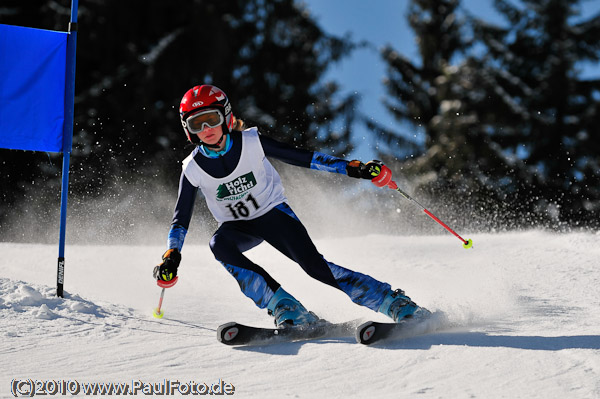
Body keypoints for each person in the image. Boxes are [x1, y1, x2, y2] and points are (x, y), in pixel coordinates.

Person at [153, 84, 429, 327]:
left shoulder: (251, 142)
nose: (206, 130)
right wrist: (172, 255)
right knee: (219, 245)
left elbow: (305, 158)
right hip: (238, 227)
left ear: (225, 116)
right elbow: (181, 219)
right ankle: (288, 308)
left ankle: (393, 303)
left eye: (211, 119)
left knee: (315, 268)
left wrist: (354, 169)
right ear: (187, 130)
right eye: (196, 124)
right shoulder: (192, 168)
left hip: (274, 215)